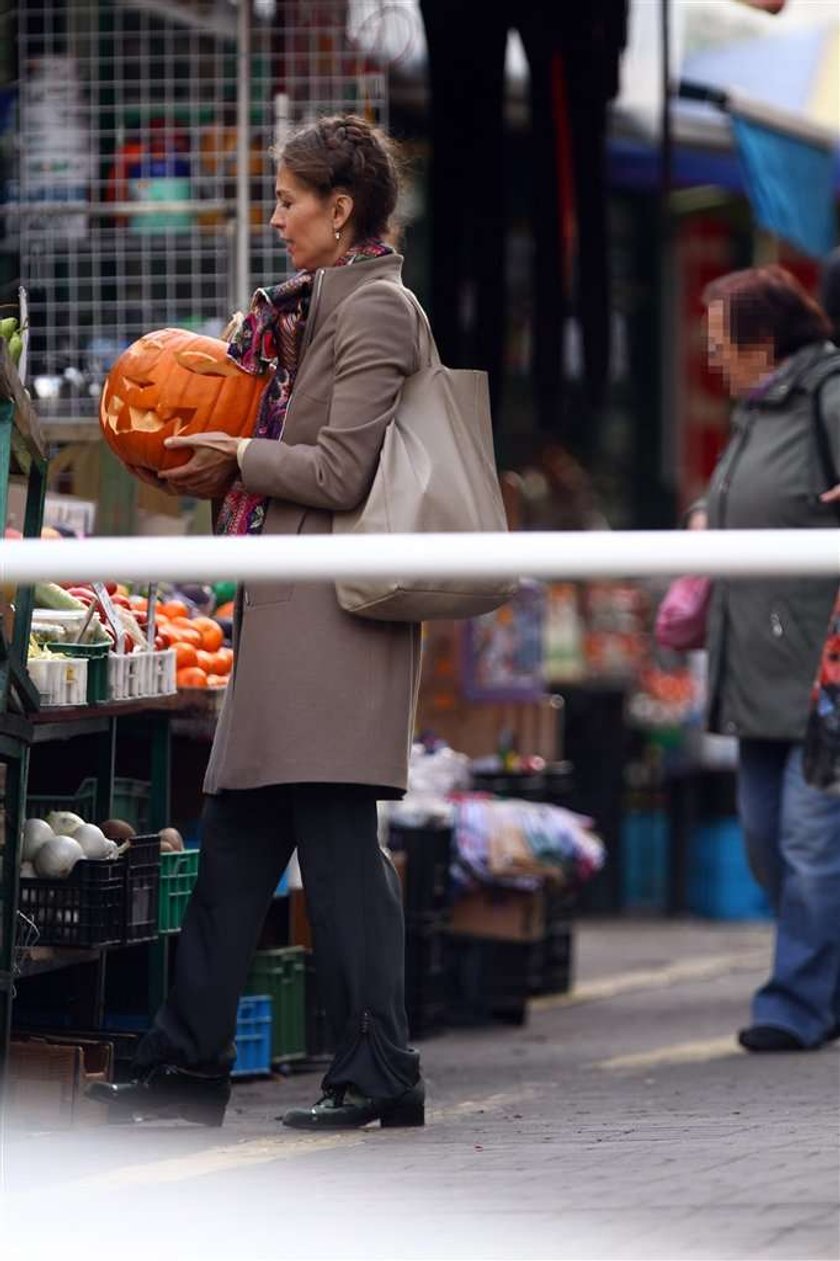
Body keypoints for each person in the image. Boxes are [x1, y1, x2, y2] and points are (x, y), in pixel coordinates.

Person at [92, 115, 426, 1129]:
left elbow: (339, 469)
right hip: (293, 609)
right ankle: (189, 1061)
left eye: (288, 200)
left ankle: (379, 1071)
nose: (274, 218)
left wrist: (238, 456)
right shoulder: (311, 308)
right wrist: (225, 451)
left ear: (342, 207)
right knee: (238, 836)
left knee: (332, 847)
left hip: (335, 616)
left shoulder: (378, 313)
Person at [701, 265, 840, 1052]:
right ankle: (824, 980)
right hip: (755, 665)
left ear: (765, 340)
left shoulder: (828, 395)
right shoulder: (758, 411)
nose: (714, 357)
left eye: (723, 342)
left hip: (822, 669)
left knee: (810, 842)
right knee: (764, 836)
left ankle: (795, 1004)